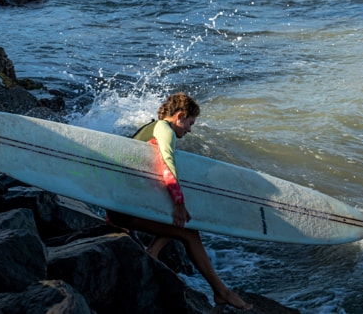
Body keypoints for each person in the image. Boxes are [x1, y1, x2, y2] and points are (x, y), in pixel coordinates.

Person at [107, 93, 253, 311]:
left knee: (182, 221)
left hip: (123, 203)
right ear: (179, 116)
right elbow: (167, 162)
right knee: (189, 232)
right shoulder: (165, 130)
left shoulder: (150, 128)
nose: (190, 129)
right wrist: (178, 202)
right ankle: (222, 292)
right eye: (190, 123)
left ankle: (154, 252)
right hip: (125, 208)